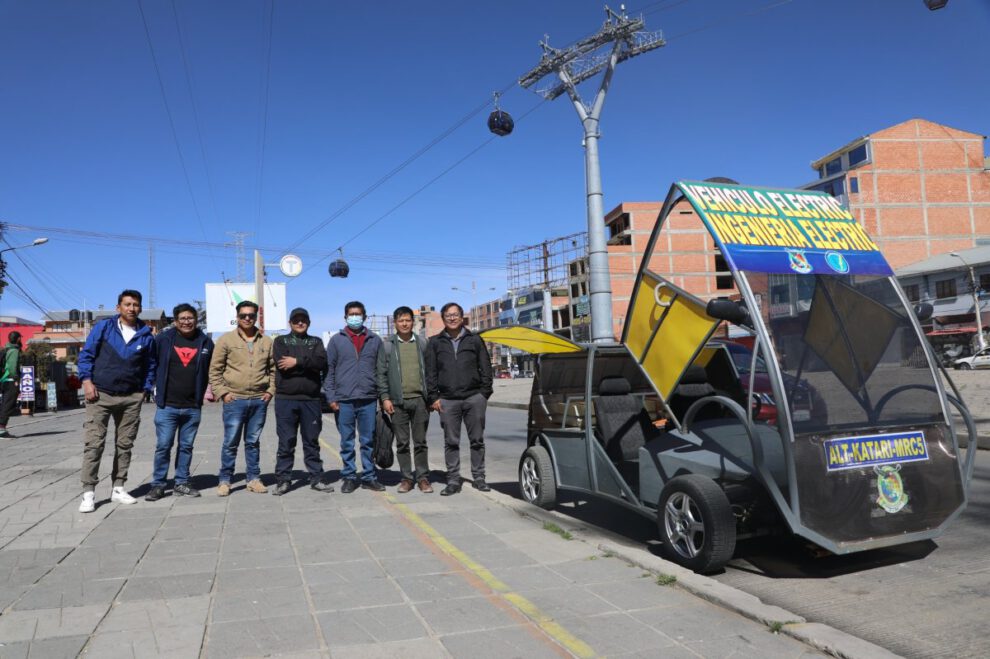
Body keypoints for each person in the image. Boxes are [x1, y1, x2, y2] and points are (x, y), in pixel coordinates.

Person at [78, 290, 157, 513]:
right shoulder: (104, 327)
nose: (132, 308)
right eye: (127, 304)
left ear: (140, 308)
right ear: (118, 307)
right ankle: (88, 493)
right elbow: (87, 355)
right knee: (94, 444)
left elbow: (151, 365)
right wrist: (86, 381)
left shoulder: (145, 334)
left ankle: (118, 488)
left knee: (125, 444)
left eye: (136, 305)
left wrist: (144, 389)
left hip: (131, 398)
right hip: (100, 395)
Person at [146, 303, 214, 501]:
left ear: (196, 320)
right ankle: (158, 485)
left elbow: (211, 369)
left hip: (192, 406)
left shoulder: (205, 342)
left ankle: (181, 482)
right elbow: (151, 364)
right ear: (175, 321)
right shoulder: (163, 339)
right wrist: (151, 388)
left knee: (186, 446)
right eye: (182, 318)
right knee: (163, 446)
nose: (186, 322)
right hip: (167, 405)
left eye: (190, 318)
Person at [425, 302, 493, 496]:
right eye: (448, 315)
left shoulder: (474, 340)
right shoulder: (435, 342)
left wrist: (484, 394)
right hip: (448, 400)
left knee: (477, 440)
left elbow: (486, 368)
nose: (452, 318)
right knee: (451, 442)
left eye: (455, 315)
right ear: (443, 318)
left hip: (474, 398)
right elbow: (430, 373)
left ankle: (479, 478)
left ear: (462, 318)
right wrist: (434, 397)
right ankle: (453, 480)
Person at [209, 300, 274, 496]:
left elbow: (273, 370)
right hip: (234, 399)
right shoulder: (226, 340)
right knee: (230, 442)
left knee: (253, 442)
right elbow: (215, 370)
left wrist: (270, 391)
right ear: (237, 317)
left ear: (256, 317)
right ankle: (225, 480)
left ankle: (253, 479)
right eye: (243, 315)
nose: (247, 318)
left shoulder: (266, 341)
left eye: (251, 315)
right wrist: (223, 393)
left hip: (259, 400)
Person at [324, 300, 385, 493]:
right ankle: (349, 476)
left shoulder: (375, 340)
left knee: (368, 441)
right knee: (347, 442)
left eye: (358, 314)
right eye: (351, 314)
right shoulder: (336, 340)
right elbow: (329, 371)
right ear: (345, 317)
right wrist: (331, 397)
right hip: (344, 400)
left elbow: (381, 370)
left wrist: (382, 397)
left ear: (364, 317)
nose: (355, 317)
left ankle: (369, 477)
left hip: (368, 398)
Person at [272, 307, 333, 496]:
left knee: (312, 441)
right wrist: (308, 364)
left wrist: (297, 362)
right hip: (286, 400)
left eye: (303, 320)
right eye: (296, 320)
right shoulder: (280, 341)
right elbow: (282, 365)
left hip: (311, 400)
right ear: (290, 323)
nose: (300, 323)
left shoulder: (316, 341)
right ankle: (283, 480)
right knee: (286, 441)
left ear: (309, 323)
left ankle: (317, 478)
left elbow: (321, 363)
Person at [376, 306, 432, 494]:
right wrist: (385, 398)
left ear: (413, 322)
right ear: (395, 323)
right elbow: (381, 374)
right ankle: (407, 478)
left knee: (420, 442)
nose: (405, 324)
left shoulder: (422, 343)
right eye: (401, 320)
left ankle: (423, 478)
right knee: (402, 443)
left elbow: (431, 371)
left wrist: (431, 397)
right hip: (397, 403)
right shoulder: (388, 346)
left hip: (420, 401)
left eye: (408, 320)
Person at [0, 331, 23, 439]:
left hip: (4, 380)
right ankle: (1, 429)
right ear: (18, 339)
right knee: (8, 404)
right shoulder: (14, 350)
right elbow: (12, 367)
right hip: (10, 380)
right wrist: (16, 379)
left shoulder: (6, 349)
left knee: (5, 403)